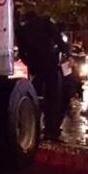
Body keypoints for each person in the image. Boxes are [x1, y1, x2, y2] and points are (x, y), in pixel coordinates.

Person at [16, 10, 70, 140]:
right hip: (50, 66)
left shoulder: (22, 30)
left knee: (34, 98)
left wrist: (30, 63)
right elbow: (58, 39)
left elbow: (22, 53)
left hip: (36, 68)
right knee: (53, 98)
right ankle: (51, 129)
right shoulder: (46, 23)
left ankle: (33, 128)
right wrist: (66, 53)